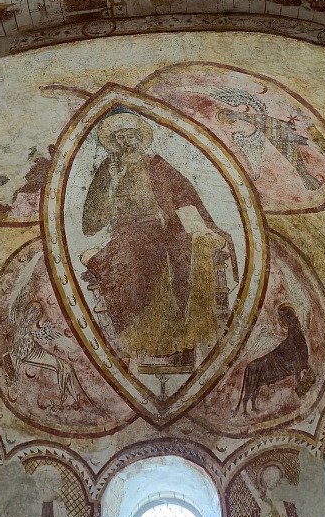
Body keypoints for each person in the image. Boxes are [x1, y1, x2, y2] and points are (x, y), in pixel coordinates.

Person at [80, 110, 234, 365]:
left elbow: (184, 194)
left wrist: (200, 226)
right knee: (125, 265)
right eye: (120, 138)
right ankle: (137, 341)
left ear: (140, 139)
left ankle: (176, 339)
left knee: (180, 257)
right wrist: (112, 184)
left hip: (162, 230)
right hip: (126, 234)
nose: (126, 142)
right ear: (114, 143)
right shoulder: (108, 169)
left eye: (131, 136)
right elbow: (91, 222)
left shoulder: (156, 164)